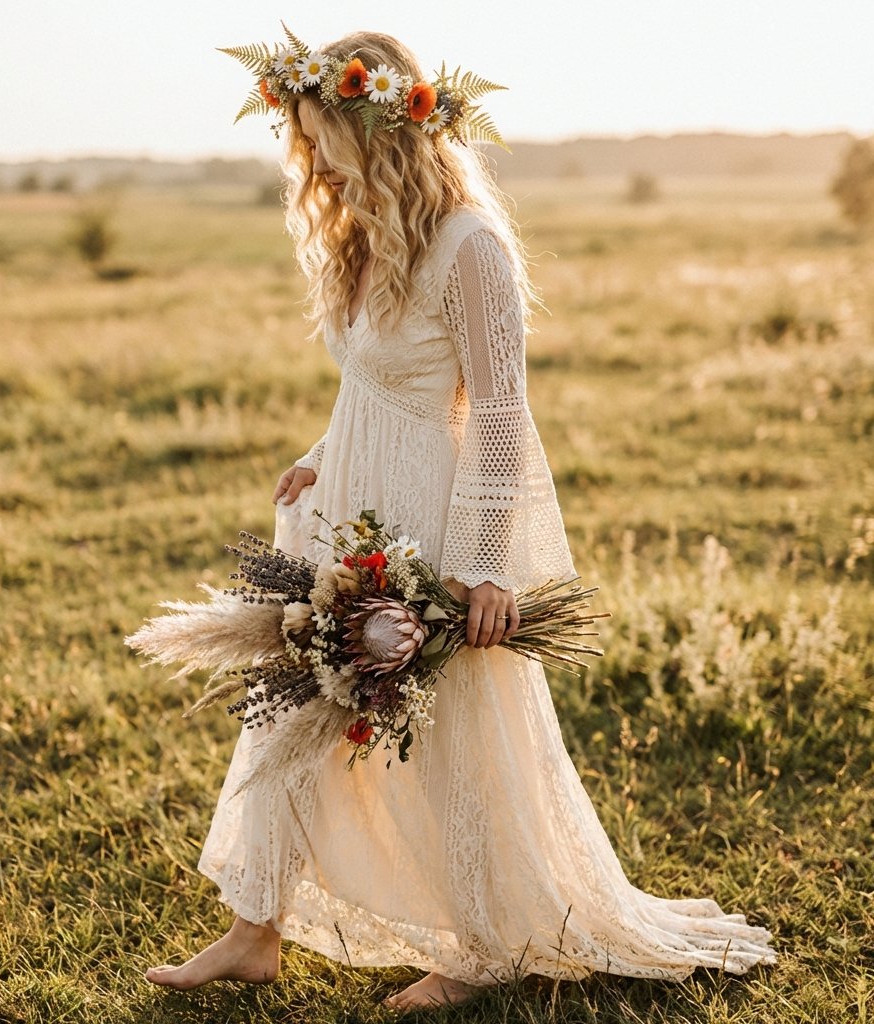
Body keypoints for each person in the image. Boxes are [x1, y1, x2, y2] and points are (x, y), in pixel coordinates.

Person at [145, 28, 775, 1011]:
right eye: (305, 143)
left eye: (329, 141)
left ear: (382, 134)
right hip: (347, 514)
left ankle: (483, 946)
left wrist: (483, 567)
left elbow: (494, 411)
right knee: (287, 717)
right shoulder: (363, 241)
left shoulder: (467, 247)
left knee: (442, 744)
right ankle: (252, 931)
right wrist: (317, 460)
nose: (318, 164)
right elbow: (374, 386)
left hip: (425, 529)